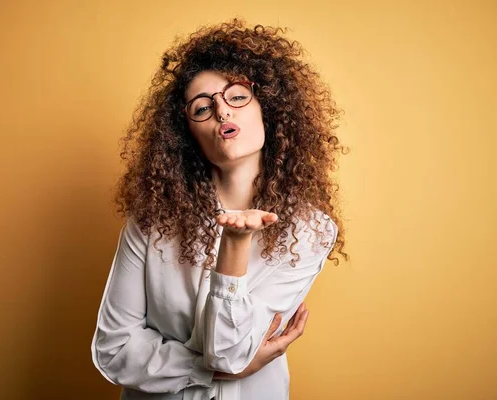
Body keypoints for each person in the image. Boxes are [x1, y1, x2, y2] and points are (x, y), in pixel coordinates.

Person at [91, 18, 348, 400]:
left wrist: (235, 244)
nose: (222, 112)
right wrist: (208, 370)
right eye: (202, 108)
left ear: (268, 107)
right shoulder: (151, 220)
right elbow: (113, 351)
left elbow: (227, 352)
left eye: (237, 96)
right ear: (186, 133)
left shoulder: (309, 230)